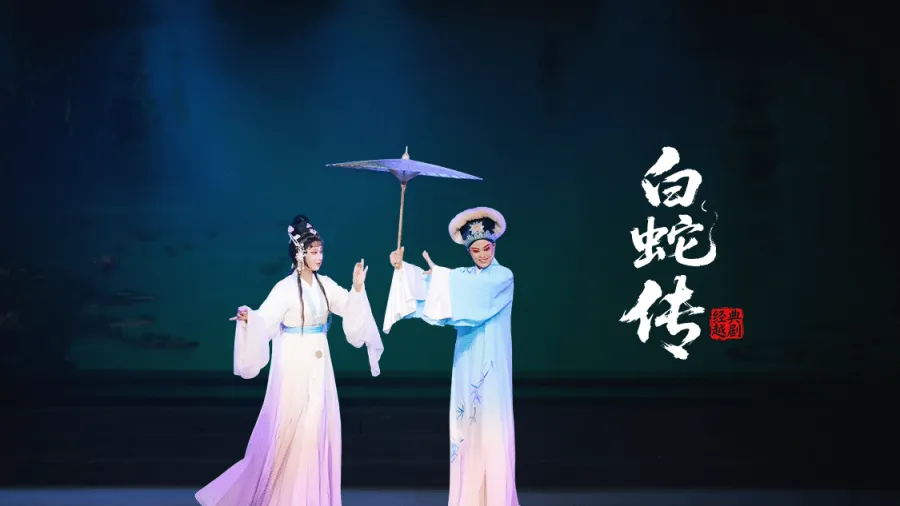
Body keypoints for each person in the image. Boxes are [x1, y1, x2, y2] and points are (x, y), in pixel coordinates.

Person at [196, 214, 384, 506]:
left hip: (320, 364)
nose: (319, 257)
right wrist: (249, 319)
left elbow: (350, 308)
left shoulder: (325, 285)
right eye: (314, 251)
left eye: (321, 251)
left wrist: (357, 288)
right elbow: (265, 319)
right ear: (299, 253)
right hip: (294, 363)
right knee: (294, 428)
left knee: (317, 427)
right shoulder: (284, 289)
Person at [383, 206, 519, 506]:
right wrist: (402, 269)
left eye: (486, 248)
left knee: (491, 428)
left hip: (492, 365)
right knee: (466, 428)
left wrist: (441, 277)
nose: (481, 255)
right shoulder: (461, 276)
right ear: (469, 251)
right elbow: (433, 291)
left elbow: (467, 292)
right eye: (475, 250)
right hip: (466, 360)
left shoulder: (502, 277)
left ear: (494, 246)